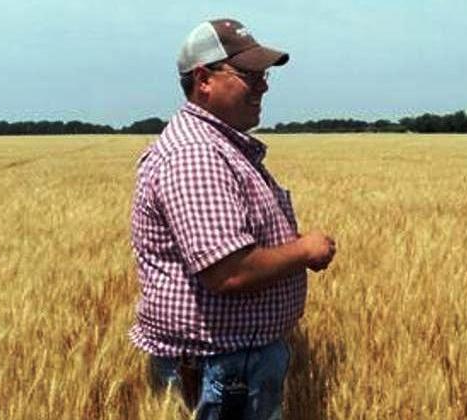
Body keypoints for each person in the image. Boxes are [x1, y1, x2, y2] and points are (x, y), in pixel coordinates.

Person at [130, 17, 336, 420]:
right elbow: (229, 272)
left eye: (264, 74)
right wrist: (304, 250)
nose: (264, 85)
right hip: (222, 369)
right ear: (204, 79)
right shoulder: (197, 155)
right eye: (249, 74)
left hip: (228, 367)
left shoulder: (217, 147)